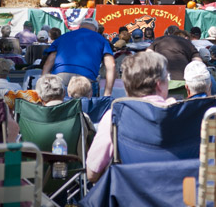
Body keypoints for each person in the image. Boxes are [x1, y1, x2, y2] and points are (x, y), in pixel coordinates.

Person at [86, 51, 176, 183]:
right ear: (159, 85)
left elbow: (92, 173)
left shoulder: (114, 116)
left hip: (131, 195)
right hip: (178, 195)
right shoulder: (181, 113)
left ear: (126, 86)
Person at [42, 18, 116, 96]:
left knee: (59, 106)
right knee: (86, 106)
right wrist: (107, 93)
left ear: (80, 27)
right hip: (86, 78)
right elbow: (111, 65)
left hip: (60, 76)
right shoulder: (102, 40)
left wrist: (43, 88)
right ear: (96, 29)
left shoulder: (63, 37)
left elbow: (48, 63)